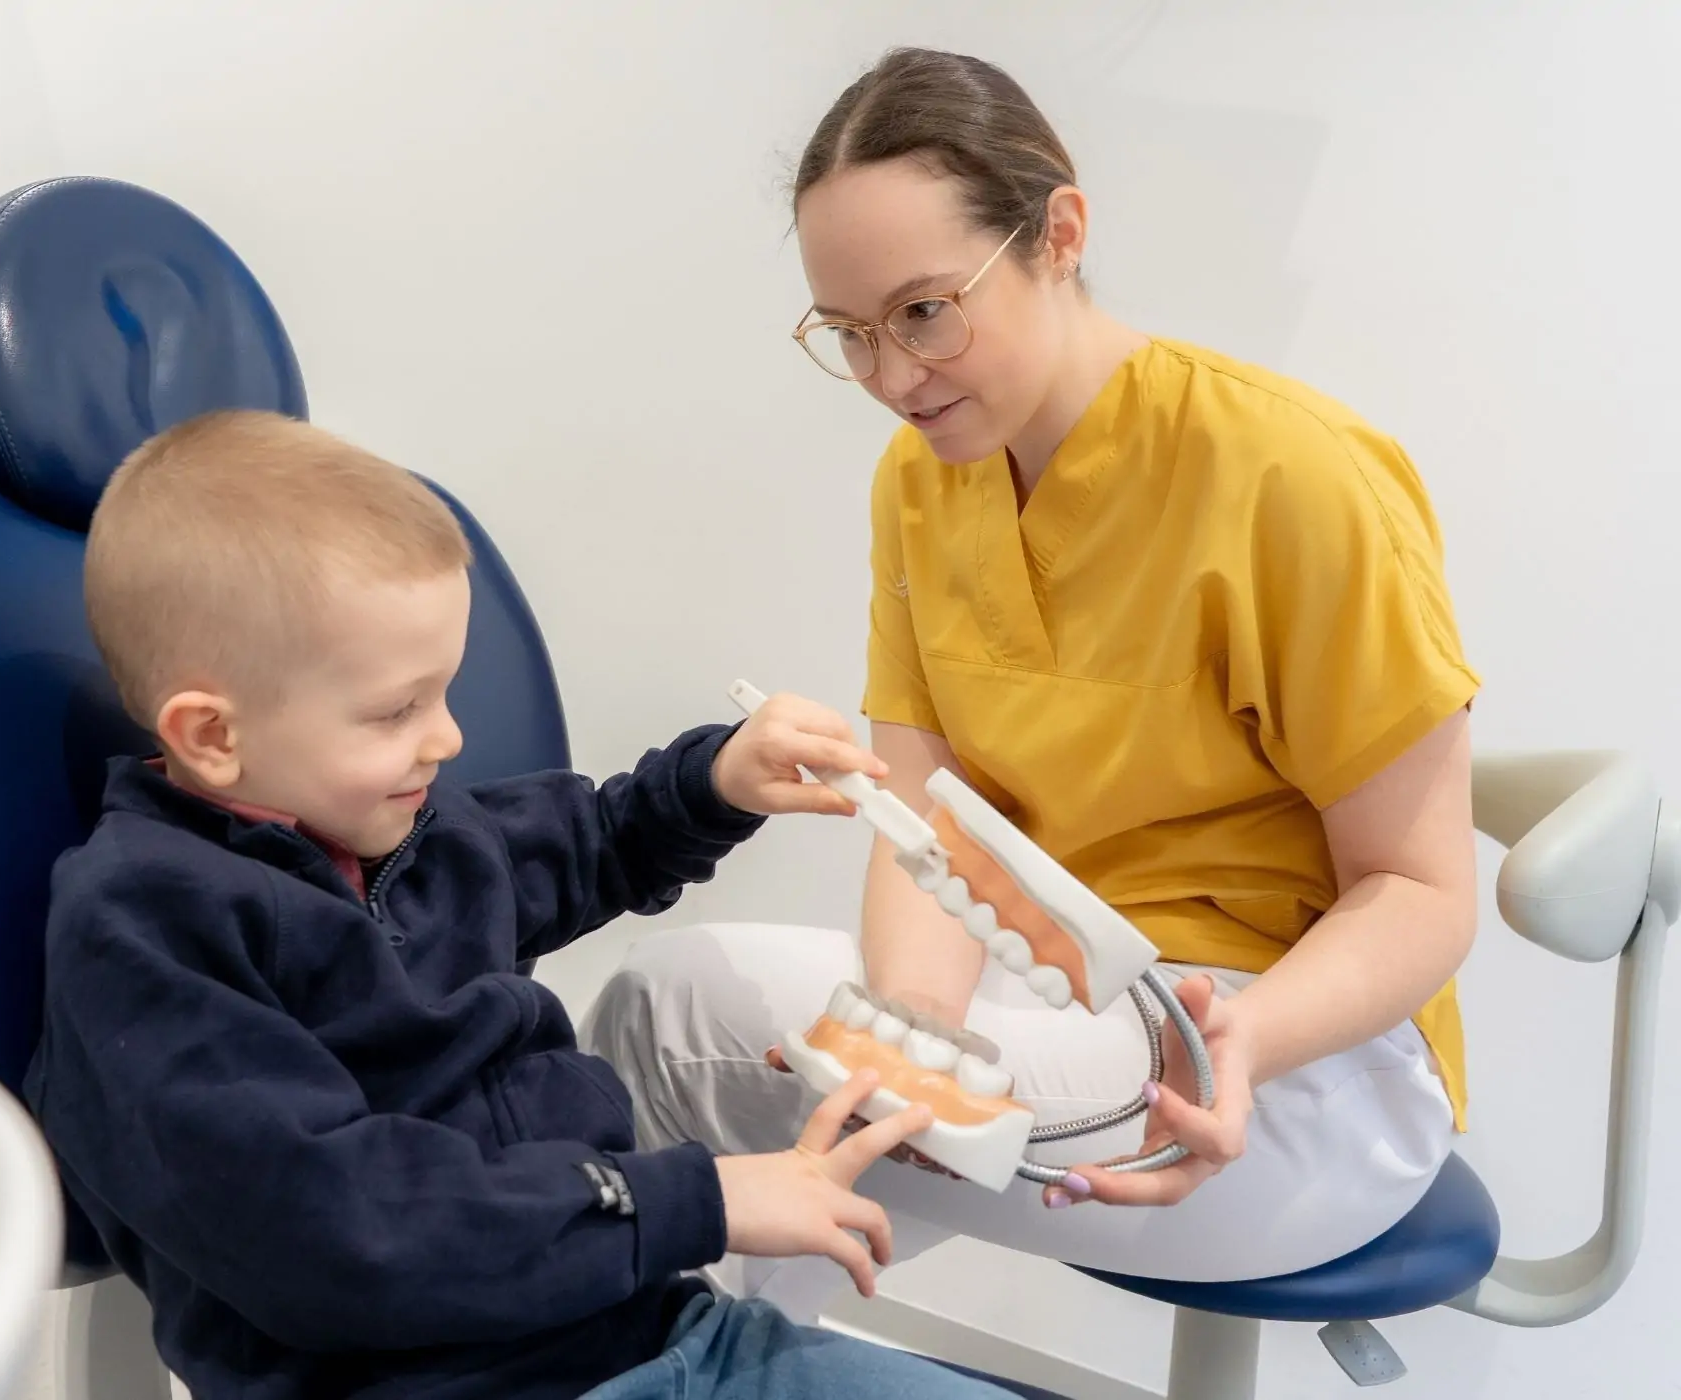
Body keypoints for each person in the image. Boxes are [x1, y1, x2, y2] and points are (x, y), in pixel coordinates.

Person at [580, 46, 1479, 1317]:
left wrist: (1247, 1039)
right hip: (1056, 1001)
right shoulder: (923, 480)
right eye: (849, 334)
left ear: (1059, 233)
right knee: (779, 1109)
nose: (893, 379)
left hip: (1287, 1064)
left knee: (671, 1019)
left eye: (924, 311)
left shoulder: (1294, 476)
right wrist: (910, 1033)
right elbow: (928, 814)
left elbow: (1424, 892)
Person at [22, 410, 1027, 1400]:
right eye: (397, 709)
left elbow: (589, 840)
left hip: (657, 1331)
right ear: (211, 736)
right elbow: (338, 1229)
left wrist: (718, 779)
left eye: (444, 693)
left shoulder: (400, 829)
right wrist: (696, 1199)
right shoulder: (148, 928)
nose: (446, 738)